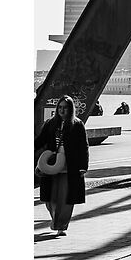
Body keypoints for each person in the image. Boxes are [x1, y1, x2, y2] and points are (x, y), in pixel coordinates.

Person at [35, 96, 89, 235]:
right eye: (60, 107)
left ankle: (61, 226)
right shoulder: (50, 124)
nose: (62, 110)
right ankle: (56, 219)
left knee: (65, 199)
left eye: (65, 107)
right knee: (50, 198)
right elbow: (40, 141)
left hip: (69, 167)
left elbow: (84, 147)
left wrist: (83, 166)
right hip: (52, 164)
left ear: (70, 109)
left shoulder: (77, 124)